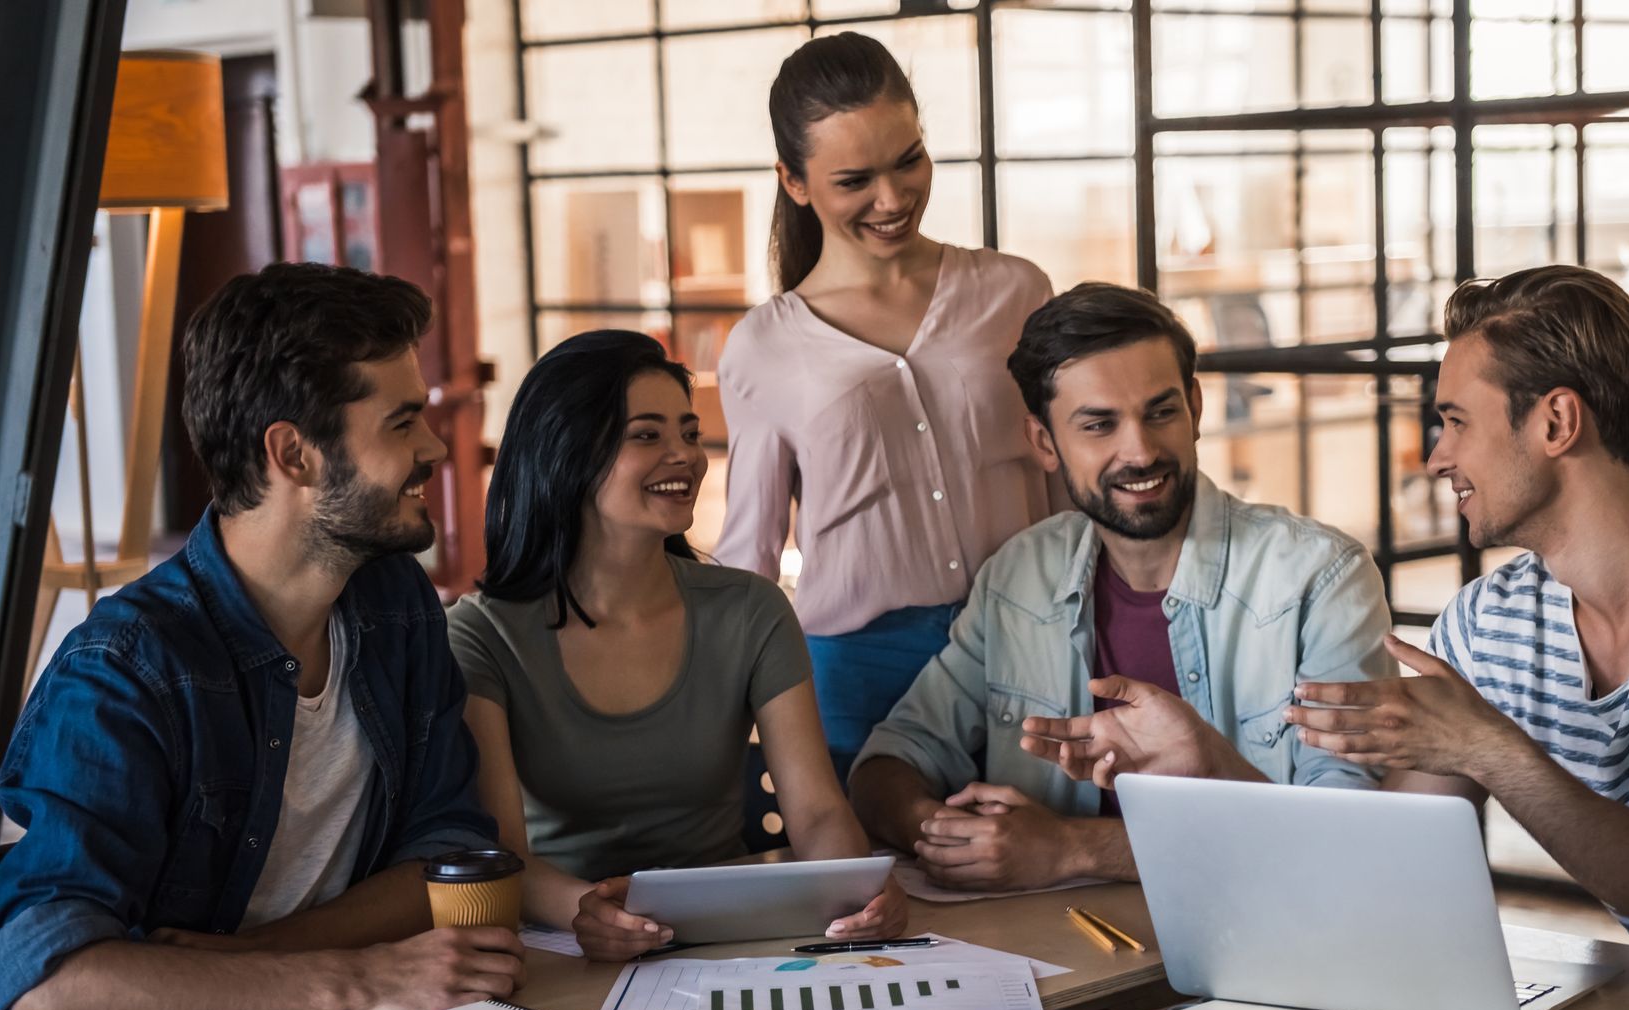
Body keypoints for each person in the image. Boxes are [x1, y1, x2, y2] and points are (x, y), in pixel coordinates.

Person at [1041, 266, 1629, 978]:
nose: (1438, 452)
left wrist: (1489, 747)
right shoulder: (1491, 621)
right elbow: (1374, 879)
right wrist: (1207, 766)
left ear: (1556, 421)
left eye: (1455, 420)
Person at [0, 263, 523, 1010]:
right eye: (402, 423)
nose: (435, 446)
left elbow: (449, 850)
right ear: (294, 454)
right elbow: (49, 987)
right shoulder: (125, 668)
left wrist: (261, 957)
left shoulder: (395, 602)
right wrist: (359, 976)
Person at [847, 283, 1396, 892]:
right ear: (1043, 443)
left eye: (1161, 412)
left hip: (1262, 939)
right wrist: (946, 835)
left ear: (1195, 406)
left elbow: (1350, 840)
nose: (1139, 451)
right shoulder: (1018, 577)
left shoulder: (1319, 577)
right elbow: (891, 763)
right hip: (1056, 948)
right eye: (1100, 425)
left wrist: (1075, 850)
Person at [448, 331, 905, 962]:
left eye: (689, 434)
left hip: (733, 934)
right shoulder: (482, 634)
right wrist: (590, 911)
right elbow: (502, 857)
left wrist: (860, 889)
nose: (684, 457)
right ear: (568, 451)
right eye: (647, 435)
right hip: (563, 940)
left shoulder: (751, 608)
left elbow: (820, 813)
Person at [715, 32, 1056, 777]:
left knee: (1034, 861)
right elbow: (750, 558)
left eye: (909, 160)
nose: (893, 198)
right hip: (854, 671)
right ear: (794, 181)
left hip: (1028, 642)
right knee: (874, 886)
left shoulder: (1017, 292)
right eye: (855, 180)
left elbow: (1066, 482)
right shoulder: (762, 347)